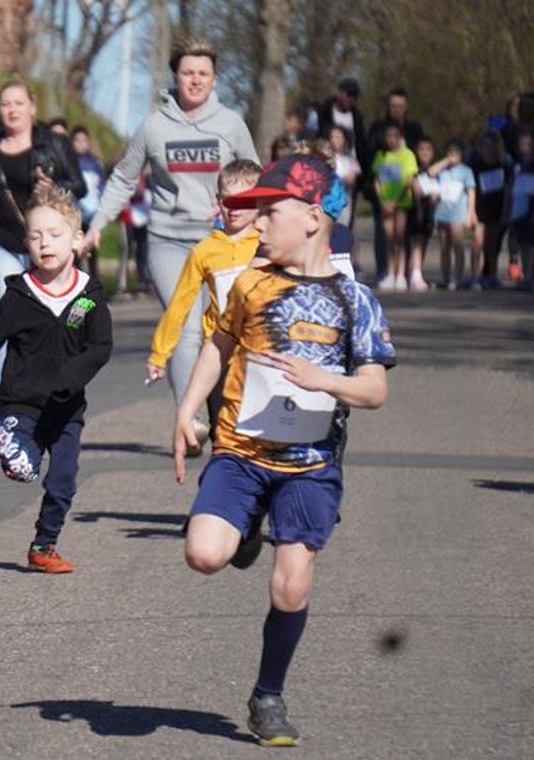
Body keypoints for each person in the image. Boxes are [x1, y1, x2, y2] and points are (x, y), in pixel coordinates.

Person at [173, 152, 395, 747]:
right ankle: (243, 526)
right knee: (203, 555)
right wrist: (187, 408)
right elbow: (219, 345)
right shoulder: (249, 282)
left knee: (291, 586)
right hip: (242, 452)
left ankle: (268, 695)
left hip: (311, 465)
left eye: (271, 212)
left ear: (314, 218)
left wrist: (327, 380)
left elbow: (375, 389)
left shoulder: (356, 301)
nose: (259, 224)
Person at [82, 38, 257, 455]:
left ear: (214, 79)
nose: (194, 80)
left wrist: (264, 223)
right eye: (187, 73)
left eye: (203, 74)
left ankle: (228, 412)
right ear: (175, 77)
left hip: (220, 238)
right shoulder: (154, 126)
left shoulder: (231, 124)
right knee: (187, 326)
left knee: (224, 327)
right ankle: (189, 418)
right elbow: (125, 178)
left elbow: (256, 178)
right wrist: (97, 224)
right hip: (167, 239)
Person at [0, 186, 112, 573]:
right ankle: (12, 443)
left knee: (64, 480)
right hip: (20, 402)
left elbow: (101, 347)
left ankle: (43, 545)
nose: (44, 243)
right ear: (26, 243)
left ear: (77, 239)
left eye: (54, 234)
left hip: (66, 408)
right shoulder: (19, 296)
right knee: (24, 469)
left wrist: (72, 376)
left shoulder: (87, 297)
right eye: (35, 236)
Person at [0, 80, 85, 383]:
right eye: (5, 104)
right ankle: (9, 395)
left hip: (45, 244)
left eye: (18, 103)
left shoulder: (54, 144)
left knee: (49, 318)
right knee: (7, 313)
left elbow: (79, 185)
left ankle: (48, 386)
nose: (12, 110)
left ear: (32, 107)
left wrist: (55, 187)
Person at [146, 159, 262, 441]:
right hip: (218, 356)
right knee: (223, 438)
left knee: (259, 437)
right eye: (227, 199)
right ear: (217, 201)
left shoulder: (268, 243)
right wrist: (159, 354)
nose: (233, 208)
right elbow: (180, 305)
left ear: (260, 201)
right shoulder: (204, 251)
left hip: (260, 355)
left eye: (243, 200)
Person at [366, 88, 427, 280]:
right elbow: (371, 160)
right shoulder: (377, 128)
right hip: (383, 192)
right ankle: (384, 271)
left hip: (405, 192)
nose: (396, 109)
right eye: (393, 106)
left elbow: (421, 158)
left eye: (400, 106)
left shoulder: (414, 129)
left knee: (405, 235)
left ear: (406, 107)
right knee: (383, 234)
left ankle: (406, 271)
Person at [372, 123, 418, 291]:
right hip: (386, 202)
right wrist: (383, 200)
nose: (391, 139)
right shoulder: (381, 155)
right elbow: (377, 180)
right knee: (389, 239)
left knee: (400, 238)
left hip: (401, 202)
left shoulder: (407, 155)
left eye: (395, 136)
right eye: (388, 136)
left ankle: (401, 274)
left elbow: (408, 180)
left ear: (400, 137)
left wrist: (396, 201)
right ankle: (390, 273)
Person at [428, 139, 479, 290]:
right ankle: (445, 277)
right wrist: (445, 161)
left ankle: (458, 277)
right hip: (443, 212)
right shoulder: (443, 171)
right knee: (444, 247)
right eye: (450, 152)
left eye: (456, 152)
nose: (453, 155)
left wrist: (471, 213)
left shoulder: (466, 171)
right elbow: (430, 173)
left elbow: (471, 192)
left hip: (458, 213)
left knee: (458, 245)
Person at [471, 130, 511, 288]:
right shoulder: (476, 166)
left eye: (492, 145)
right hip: (481, 208)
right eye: (485, 145)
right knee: (480, 243)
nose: (488, 148)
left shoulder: (504, 166)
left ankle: (491, 274)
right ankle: (479, 275)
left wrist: (506, 211)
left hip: (498, 209)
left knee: (494, 244)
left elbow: (508, 190)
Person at [507, 127, 534, 291]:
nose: (525, 146)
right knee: (522, 242)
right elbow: (510, 186)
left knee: (533, 241)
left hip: (533, 206)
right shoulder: (516, 163)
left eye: (528, 143)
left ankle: (533, 276)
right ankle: (525, 275)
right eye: (522, 143)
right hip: (518, 206)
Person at [71, 125, 106, 277]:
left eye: (84, 140)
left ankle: (94, 286)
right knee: (76, 253)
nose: (81, 143)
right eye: (77, 140)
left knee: (92, 253)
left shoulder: (95, 163)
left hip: (93, 215)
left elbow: (102, 186)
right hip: (75, 215)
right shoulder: (70, 162)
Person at [405, 137, 438, 292]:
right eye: (421, 149)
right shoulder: (414, 169)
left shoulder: (435, 170)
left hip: (430, 210)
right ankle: (414, 275)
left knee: (424, 241)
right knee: (416, 242)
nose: (425, 153)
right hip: (416, 208)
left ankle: (418, 273)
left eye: (428, 149)